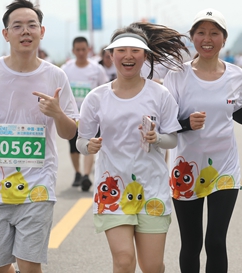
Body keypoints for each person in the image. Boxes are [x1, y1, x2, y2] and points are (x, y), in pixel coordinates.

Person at [0, 0, 78, 273]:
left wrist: (57, 114)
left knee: (30, 266)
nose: (25, 31)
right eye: (17, 26)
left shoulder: (56, 77)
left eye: (32, 25)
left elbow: (70, 133)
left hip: (38, 185)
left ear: (42, 32)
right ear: (6, 34)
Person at [163, 8, 242, 273]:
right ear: (192, 37)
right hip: (186, 166)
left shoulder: (235, 75)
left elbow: (236, 109)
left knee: (215, 241)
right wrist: (187, 123)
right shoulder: (177, 75)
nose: (207, 38)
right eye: (201, 32)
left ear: (224, 39)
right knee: (191, 242)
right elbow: (165, 122)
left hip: (225, 167)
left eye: (214, 33)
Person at [77, 22, 188, 273]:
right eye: (121, 50)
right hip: (113, 189)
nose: (128, 56)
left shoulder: (160, 94)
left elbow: (173, 139)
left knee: (151, 266)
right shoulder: (96, 98)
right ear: (111, 55)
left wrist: (156, 138)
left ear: (145, 55)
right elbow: (81, 142)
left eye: (135, 51)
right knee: (124, 260)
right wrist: (89, 145)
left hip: (152, 188)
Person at [61, 37, 109, 190]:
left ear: (88, 50)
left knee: (90, 143)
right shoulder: (66, 69)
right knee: (74, 146)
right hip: (72, 116)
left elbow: (105, 90)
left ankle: (86, 175)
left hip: (92, 116)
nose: (81, 53)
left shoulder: (97, 69)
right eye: (78, 50)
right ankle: (78, 172)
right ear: (73, 51)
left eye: (84, 49)